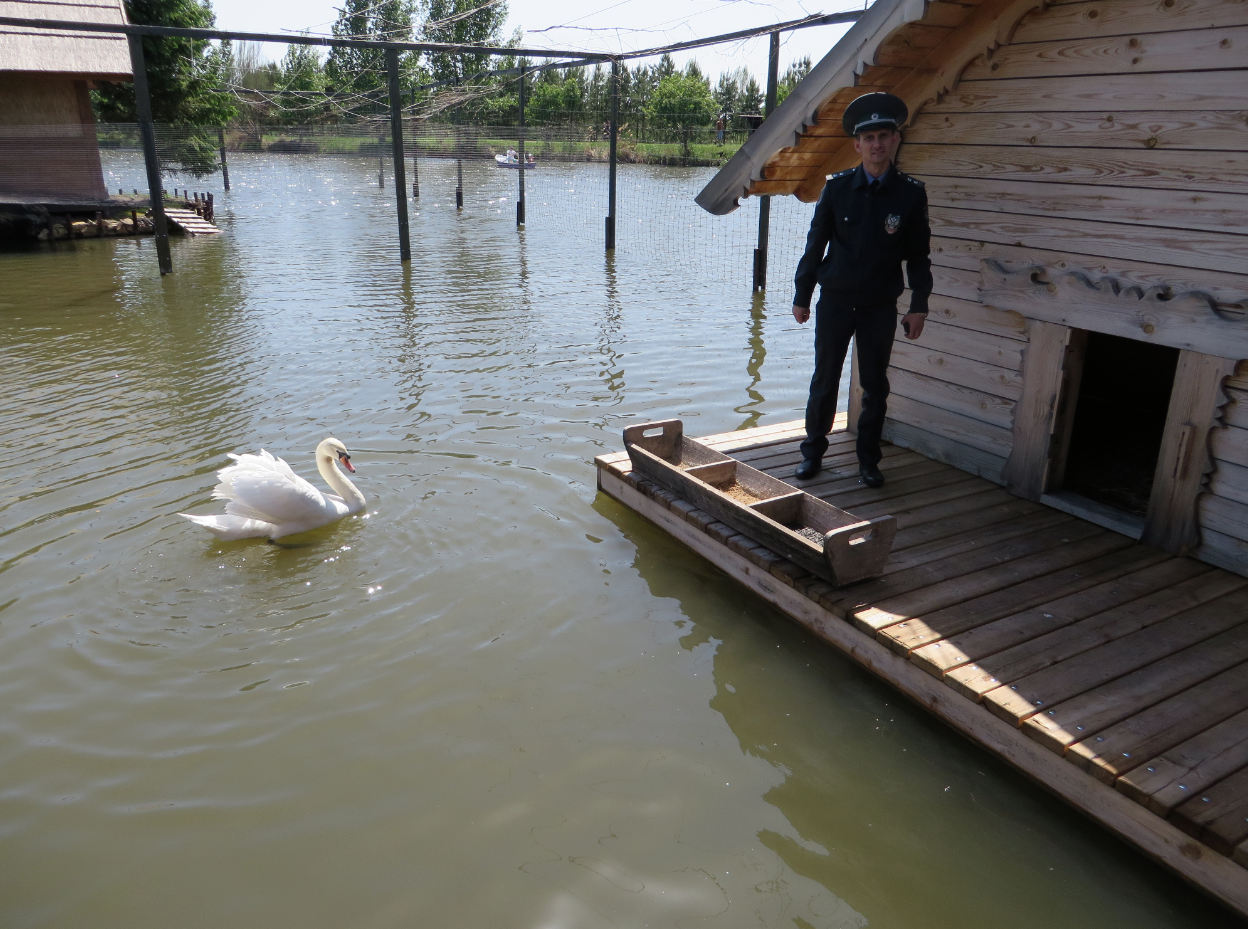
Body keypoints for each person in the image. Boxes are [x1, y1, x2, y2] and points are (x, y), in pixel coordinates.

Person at [791, 91, 932, 488]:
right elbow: (815, 245)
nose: (876, 144)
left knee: (875, 386)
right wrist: (802, 295)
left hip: (879, 306)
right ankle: (812, 454)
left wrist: (919, 304)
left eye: (884, 136)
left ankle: (868, 462)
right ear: (857, 145)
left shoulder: (910, 193)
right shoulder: (836, 190)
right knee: (824, 379)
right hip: (835, 301)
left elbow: (919, 255)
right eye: (868, 138)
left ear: (895, 141)